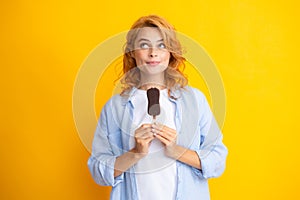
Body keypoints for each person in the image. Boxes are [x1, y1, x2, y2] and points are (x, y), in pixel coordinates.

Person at [88, 15, 228, 200]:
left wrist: (175, 150)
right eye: (144, 45)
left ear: (170, 52)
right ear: (132, 52)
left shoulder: (195, 100)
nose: (153, 53)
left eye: (161, 45)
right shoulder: (115, 108)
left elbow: (217, 160)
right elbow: (98, 171)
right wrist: (136, 153)